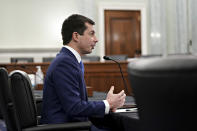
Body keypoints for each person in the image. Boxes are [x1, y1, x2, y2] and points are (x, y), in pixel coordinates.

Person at [41, 14, 126, 131]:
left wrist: (106, 103)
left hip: (74, 124)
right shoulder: (64, 63)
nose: (96, 39)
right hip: (65, 127)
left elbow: (76, 103)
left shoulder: (69, 59)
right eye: (91, 34)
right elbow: (74, 107)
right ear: (76, 36)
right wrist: (108, 104)